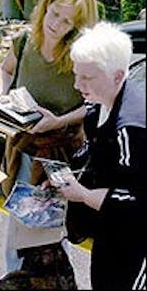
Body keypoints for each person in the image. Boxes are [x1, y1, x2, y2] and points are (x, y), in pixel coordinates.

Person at [0, 0, 98, 281]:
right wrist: (4, 96)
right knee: (18, 230)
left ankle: (44, 281)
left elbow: (95, 105)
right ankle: (17, 281)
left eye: (67, 21)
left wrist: (58, 120)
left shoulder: (82, 54)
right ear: (45, 8)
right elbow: (5, 69)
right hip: (22, 149)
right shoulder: (25, 40)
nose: (56, 24)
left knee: (49, 236)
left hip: (62, 155)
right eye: (54, 14)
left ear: (77, 25)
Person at [50, 21, 146, 290]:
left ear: (117, 76)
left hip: (136, 245)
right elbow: (97, 159)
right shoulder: (97, 107)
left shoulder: (132, 129)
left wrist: (81, 194)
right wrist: (66, 179)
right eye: (76, 74)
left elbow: (139, 200)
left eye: (87, 78)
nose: (77, 85)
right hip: (109, 232)